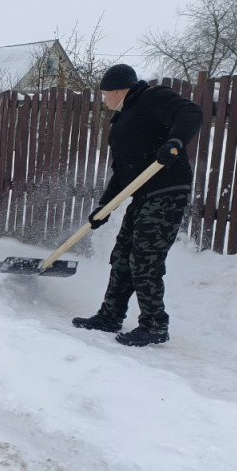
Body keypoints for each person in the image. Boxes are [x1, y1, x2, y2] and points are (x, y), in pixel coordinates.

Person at [72, 64, 203, 347]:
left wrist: (175, 142)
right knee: (122, 257)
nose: (103, 99)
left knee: (145, 259)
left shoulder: (152, 97)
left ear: (118, 90)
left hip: (166, 192)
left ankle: (154, 325)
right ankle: (110, 316)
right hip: (143, 196)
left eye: (105, 93)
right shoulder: (122, 120)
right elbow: (122, 172)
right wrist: (104, 208)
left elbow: (191, 112)